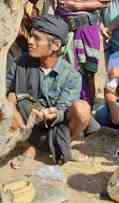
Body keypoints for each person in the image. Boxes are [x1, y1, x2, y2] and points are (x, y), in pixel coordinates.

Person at [6, 15, 92, 164]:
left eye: (37, 38)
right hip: (25, 124)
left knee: (82, 108)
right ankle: (27, 146)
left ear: (55, 45)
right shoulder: (20, 63)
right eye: (31, 36)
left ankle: (64, 145)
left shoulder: (72, 76)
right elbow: (5, 87)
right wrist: (11, 100)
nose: (30, 41)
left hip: (54, 127)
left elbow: (63, 109)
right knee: (7, 102)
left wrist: (53, 114)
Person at [47, 0, 111, 105]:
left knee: (86, 73)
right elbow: (51, 5)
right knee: (61, 70)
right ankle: (64, 109)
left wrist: (77, 5)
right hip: (62, 28)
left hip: (86, 30)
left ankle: (85, 111)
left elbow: (106, 2)